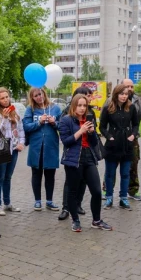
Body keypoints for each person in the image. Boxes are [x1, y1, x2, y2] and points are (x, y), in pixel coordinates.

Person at [59, 94, 112, 232]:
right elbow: (66, 141)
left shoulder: (89, 119)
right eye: (79, 105)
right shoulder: (66, 120)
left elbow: (94, 143)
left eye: (84, 106)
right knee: (73, 191)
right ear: (73, 106)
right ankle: (75, 220)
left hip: (89, 157)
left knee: (96, 191)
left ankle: (96, 220)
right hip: (73, 158)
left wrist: (92, 132)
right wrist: (80, 131)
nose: (82, 108)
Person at [100, 84, 139, 210]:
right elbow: (102, 126)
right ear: (116, 94)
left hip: (127, 144)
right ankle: (109, 198)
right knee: (110, 174)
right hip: (112, 144)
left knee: (125, 173)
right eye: (121, 94)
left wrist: (133, 135)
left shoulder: (131, 107)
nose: (124, 96)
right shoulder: (108, 108)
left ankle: (123, 198)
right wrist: (109, 136)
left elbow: (136, 124)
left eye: (126, 94)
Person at [23, 87, 62, 212]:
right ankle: (37, 201)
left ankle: (49, 201)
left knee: (50, 174)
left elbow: (63, 126)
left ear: (44, 93)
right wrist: (39, 122)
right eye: (35, 96)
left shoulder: (55, 108)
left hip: (51, 146)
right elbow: (26, 126)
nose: (39, 97)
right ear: (32, 98)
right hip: (36, 147)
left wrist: (53, 123)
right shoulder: (31, 109)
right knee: (36, 173)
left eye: (40, 94)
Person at [60, 86, 94, 220]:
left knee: (84, 180)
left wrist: (91, 132)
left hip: (87, 152)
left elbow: (94, 136)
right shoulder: (66, 113)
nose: (89, 99)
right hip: (73, 152)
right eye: (87, 95)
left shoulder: (89, 114)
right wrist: (80, 131)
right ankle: (66, 207)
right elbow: (65, 135)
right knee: (70, 182)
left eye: (88, 98)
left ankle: (77, 204)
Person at [0, 87, 25, 215]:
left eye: (7, 97)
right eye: (2, 98)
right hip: (1, 148)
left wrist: (21, 143)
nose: (5, 100)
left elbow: (21, 129)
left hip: (14, 149)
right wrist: (4, 118)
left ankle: (7, 203)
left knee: (8, 177)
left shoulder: (14, 112)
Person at [122, 79, 141, 201]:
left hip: (132, 138)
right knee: (113, 164)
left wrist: (133, 133)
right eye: (127, 86)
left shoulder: (137, 101)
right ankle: (107, 190)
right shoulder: (112, 100)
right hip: (117, 138)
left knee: (133, 163)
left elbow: (137, 120)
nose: (130, 89)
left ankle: (132, 191)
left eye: (132, 86)